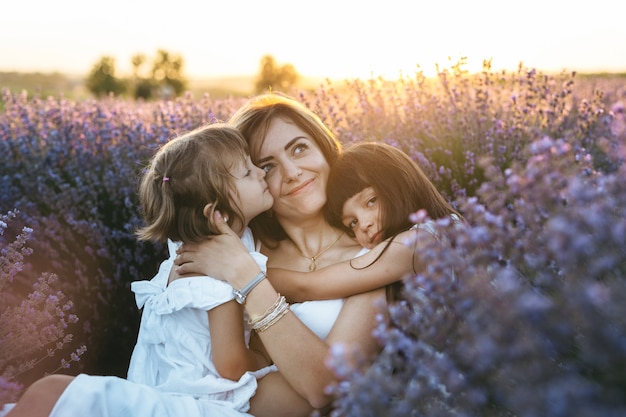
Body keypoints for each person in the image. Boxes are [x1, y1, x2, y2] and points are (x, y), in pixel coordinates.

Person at [4, 93, 385, 417]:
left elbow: (323, 388)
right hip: (192, 401)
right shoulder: (225, 248)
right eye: (264, 166)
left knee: (55, 396)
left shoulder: (374, 252)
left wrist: (245, 275)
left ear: (324, 147)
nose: (290, 172)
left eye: (299, 148)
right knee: (48, 396)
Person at [4, 123, 275, 416]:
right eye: (248, 172)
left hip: (159, 387)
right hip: (196, 402)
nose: (262, 172)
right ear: (215, 213)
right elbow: (232, 365)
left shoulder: (189, 248)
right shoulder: (214, 273)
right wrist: (263, 360)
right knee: (56, 396)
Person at [177, 141, 462, 305]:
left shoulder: (419, 242)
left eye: (371, 201)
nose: (362, 225)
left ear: (402, 186)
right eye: (350, 223)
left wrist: (235, 266)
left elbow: (307, 287)